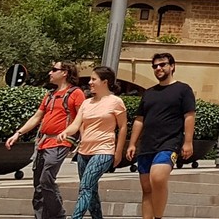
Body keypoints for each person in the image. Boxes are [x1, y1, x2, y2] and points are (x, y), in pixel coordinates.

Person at [7, 59, 86, 219]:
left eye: (54, 69)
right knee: (38, 185)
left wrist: (83, 141)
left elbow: (81, 118)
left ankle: (58, 215)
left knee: (46, 179)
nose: (50, 73)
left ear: (64, 73)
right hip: (43, 142)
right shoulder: (50, 95)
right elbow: (37, 117)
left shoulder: (76, 93)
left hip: (60, 142)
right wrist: (18, 133)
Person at [125, 53, 196, 219]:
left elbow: (189, 116)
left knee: (157, 178)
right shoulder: (149, 93)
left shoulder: (183, 89)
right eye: (155, 66)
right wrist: (132, 143)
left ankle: (158, 217)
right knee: (146, 188)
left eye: (162, 64)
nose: (158, 68)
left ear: (172, 66)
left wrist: (188, 142)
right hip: (147, 145)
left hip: (169, 142)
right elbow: (139, 120)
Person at [62, 66, 128, 219]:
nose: (90, 82)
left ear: (105, 82)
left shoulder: (116, 102)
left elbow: (123, 127)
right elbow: (76, 124)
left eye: (93, 79)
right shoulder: (86, 103)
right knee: (91, 190)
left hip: (104, 151)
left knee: (85, 187)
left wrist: (118, 152)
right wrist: (65, 132)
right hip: (83, 152)